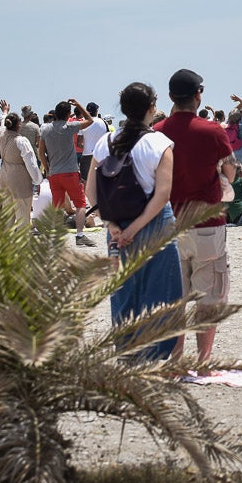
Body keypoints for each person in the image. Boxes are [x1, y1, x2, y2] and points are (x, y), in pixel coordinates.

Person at [84, 81, 183, 361]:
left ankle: (126, 349)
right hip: (154, 225)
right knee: (160, 289)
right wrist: (138, 227)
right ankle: (153, 352)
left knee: (124, 289)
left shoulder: (105, 142)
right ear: (151, 108)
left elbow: (91, 191)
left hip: (116, 228)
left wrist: (113, 226)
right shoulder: (159, 143)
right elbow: (163, 194)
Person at [152, 68, 237, 364]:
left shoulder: (157, 132)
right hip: (207, 224)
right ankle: (202, 362)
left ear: (171, 96)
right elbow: (230, 168)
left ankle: (175, 359)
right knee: (209, 297)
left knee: (175, 298)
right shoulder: (213, 130)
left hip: (169, 223)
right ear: (198, 95)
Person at [39, 99, 96, 246]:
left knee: (57, 206)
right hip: (70, 172)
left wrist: (47, 168)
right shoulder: (70, 127)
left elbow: (41, 152)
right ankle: (79, 235)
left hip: (54, 173)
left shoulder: (45, 129)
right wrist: (78, 105)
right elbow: (90, 120)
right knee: (80, 204)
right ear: (68, 114)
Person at [0, 104, 43, 223]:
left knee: (7, 214)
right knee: (22, 214)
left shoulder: (1, 134)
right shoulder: (21, 141)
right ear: (18, 125)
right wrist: (38, 180)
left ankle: (7, 240)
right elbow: (31, 163)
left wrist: (5, 111)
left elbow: (2, 123)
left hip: (4, 175)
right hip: (19, 178)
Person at [79, 102, 108, 181]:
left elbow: (79, 142)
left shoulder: (83, 123)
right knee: (101, 180)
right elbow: (107, 138)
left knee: (86, 181)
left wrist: (85, 146)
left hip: (87, 155)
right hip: (101, 154)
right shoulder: (103, 122)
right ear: (96, 111)